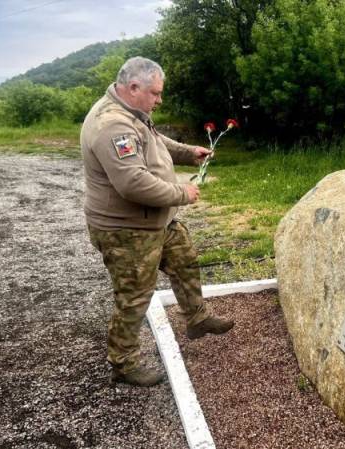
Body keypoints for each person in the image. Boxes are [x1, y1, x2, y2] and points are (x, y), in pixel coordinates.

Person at [81, 57, 234, 387]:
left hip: (156, 222)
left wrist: (187, 152)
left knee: (185, 261)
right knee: (135, 295)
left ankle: (197, 318)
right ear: (133, 87)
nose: (159, 100)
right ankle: (123, 363)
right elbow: (132, 183)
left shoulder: (132, 113)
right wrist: (182, 192)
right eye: (155, 93)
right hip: (127, 231)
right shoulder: (112, 124)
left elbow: (153, 142)